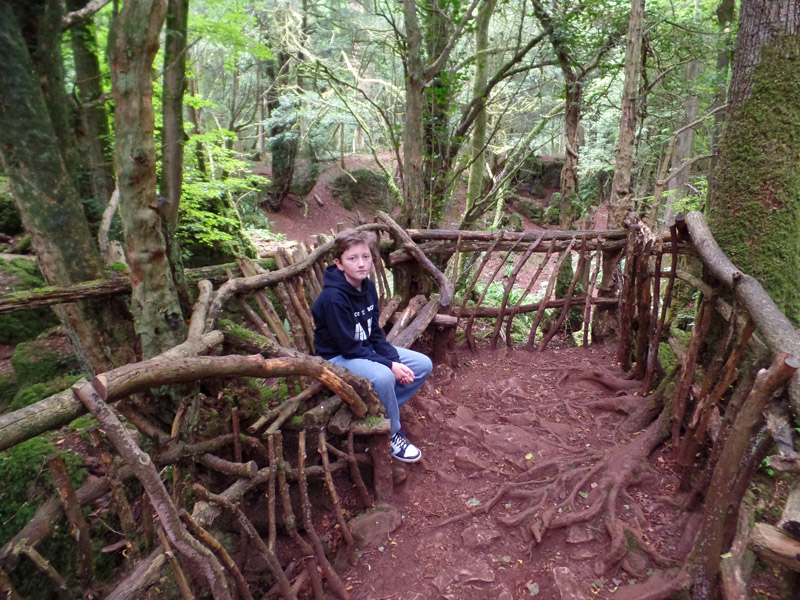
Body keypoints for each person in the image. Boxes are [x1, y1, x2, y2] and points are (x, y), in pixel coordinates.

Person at [312, 229, 432, 462]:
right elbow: (348, 348)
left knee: (422, 364)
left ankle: (377, 412)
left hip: (365, 349)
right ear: (339, 263)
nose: (361, 264)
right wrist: (389, 365)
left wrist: (394, 360)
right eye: (352, 258)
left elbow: (375, 333)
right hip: (338, 357)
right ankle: (391, 433)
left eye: (366, 257)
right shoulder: (333, 299)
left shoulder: (367, 287)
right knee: (385, 376)